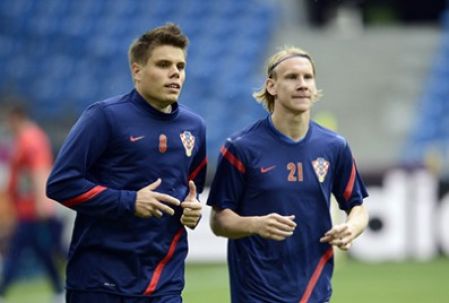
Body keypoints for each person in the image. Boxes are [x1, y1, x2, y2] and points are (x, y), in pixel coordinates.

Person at [46, 23, 207, 303]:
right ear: (137, 71)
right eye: (164, 64)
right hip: (100, 282)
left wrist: (191, 212)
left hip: (163, 282)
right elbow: (61, 184)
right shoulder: (104, 117)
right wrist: (129, 201)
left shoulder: (194, 127)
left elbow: (190, 194)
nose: (175, 73)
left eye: (180, 66)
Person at [207, 47, 369, 303]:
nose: (302, 84)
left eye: (308, 77)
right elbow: (219, 221)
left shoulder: (334, 146)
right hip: (256, 290)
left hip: (314, 287)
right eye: (292, 77)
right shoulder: (240, 147)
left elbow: (357, 207)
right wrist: (256, 225)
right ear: (271, 86)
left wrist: (351, 227)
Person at [0, 105, 64, 303]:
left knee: (18, 251)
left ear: (17, 117)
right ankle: (60, 290)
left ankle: (2, 290)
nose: (8, 125)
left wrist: (42, 202)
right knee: (46, 251)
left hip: (33, 209)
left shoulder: (31, 139)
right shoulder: (24, 139)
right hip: (27, 208)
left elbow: (38, 170)